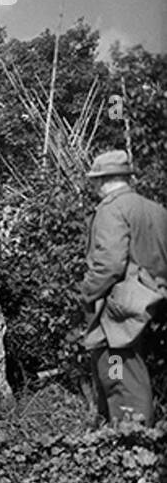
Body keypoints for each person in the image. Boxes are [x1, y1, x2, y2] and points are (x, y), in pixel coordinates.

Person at [75, 150, 167, 425]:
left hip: (120, 308)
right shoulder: (155, 209)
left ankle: (131, 440)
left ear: (102, 181)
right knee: (133, 369)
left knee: (118, 372)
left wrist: (87, 293)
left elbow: (109, 264)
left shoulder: (111, 209)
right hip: (152, 300)